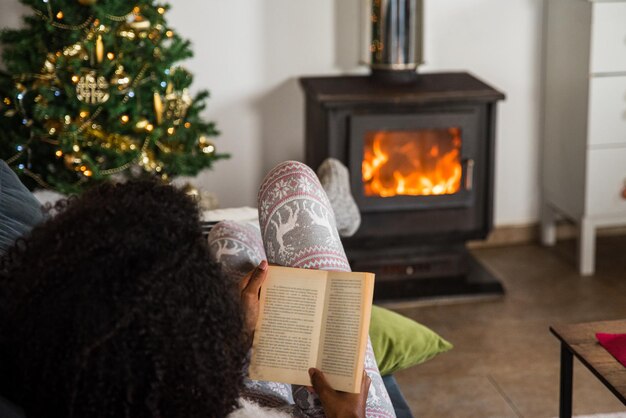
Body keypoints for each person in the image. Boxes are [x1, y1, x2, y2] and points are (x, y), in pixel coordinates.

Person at [0, 162, 391, 417]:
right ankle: (337, 217)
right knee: (292, 180)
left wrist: (236, 338)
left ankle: (322, 221)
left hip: (225, 390)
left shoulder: (82, 377)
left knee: (229, 236)